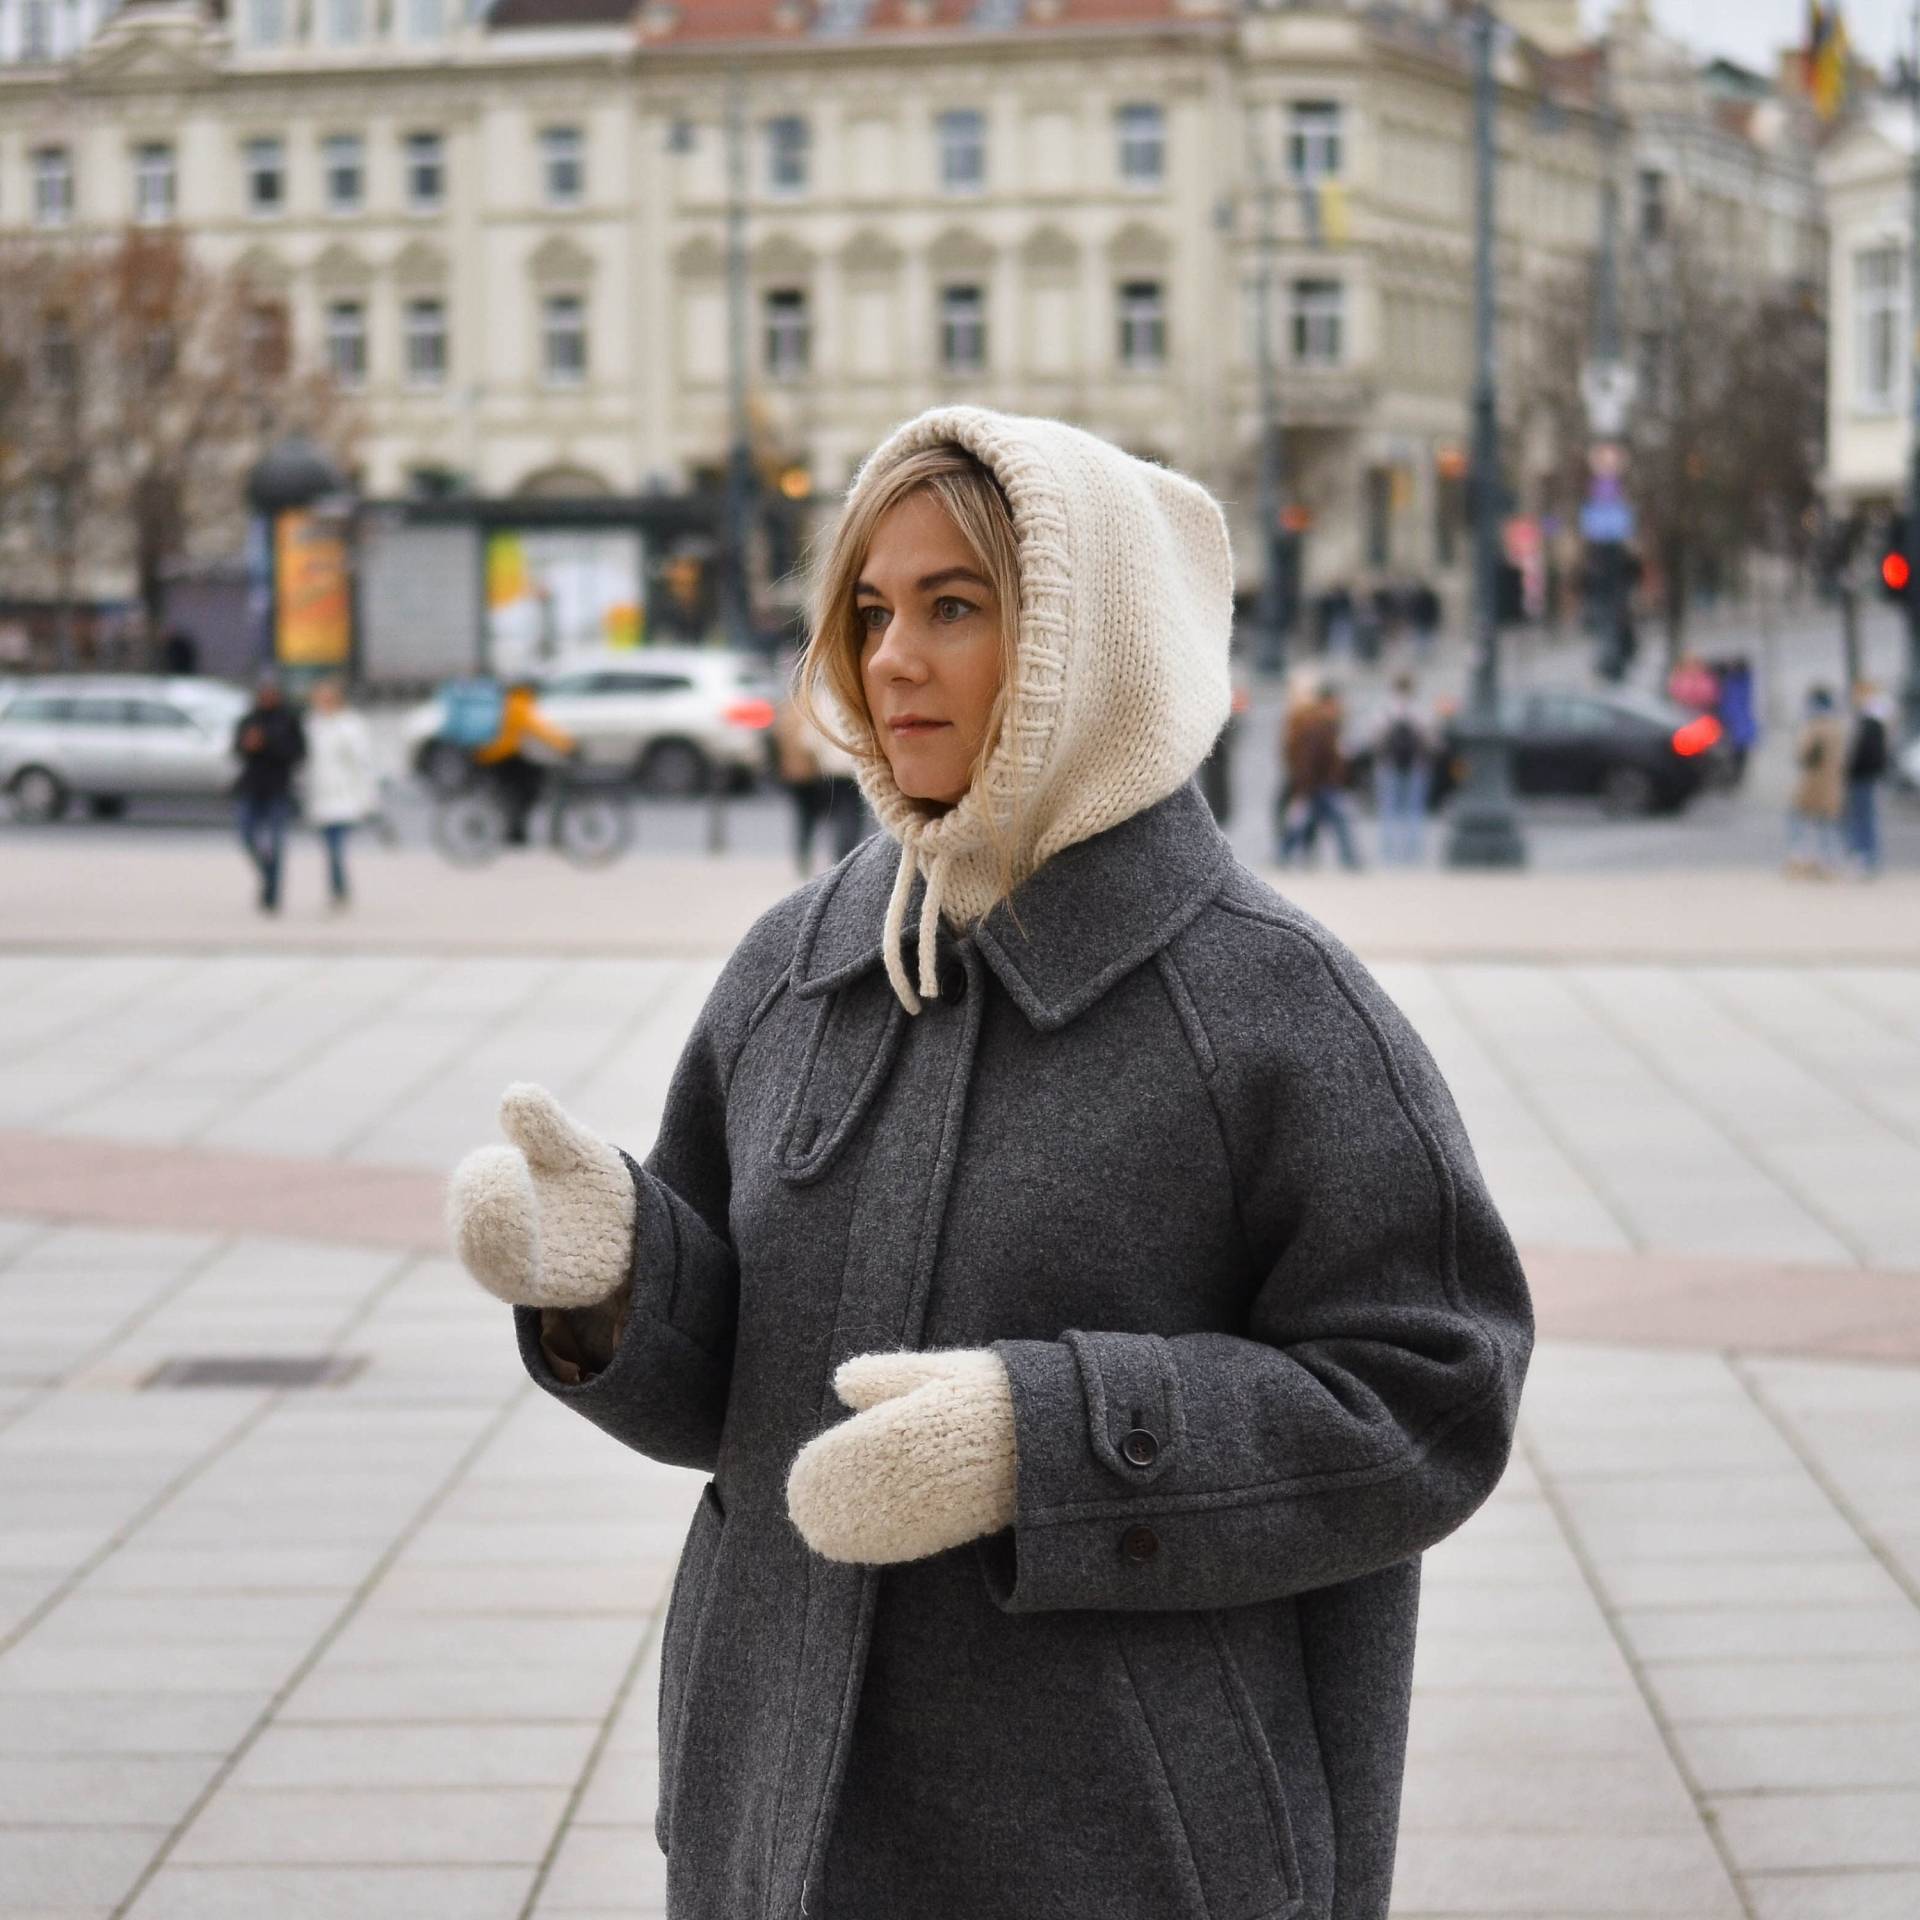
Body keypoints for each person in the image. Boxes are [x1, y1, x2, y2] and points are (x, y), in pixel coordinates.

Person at [446, 408, 1531, 1920]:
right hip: (769, 1828)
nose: (892, 658)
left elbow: (1436, 1394)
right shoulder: (796, 966)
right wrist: (620, 1276)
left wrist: (1049, 1441)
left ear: (1092, 644)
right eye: (873, 611)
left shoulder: (1276, 1006)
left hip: (1118, 1858)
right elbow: (746, 1408)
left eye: (955, 607)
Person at [231, 672, 307, 914]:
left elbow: (299, 754)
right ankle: (267, 874)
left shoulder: (288, 720)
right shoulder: (248, 720)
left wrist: (268, 744)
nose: (267, 696)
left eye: (271, 692)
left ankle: (273, 891)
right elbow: (236, 750)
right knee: (246, 835)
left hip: (278, 787)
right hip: (251, 786)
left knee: (276, 842)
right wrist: (247, 745)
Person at [304, 678, 379, 909]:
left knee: (336, 847)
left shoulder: (350, 726)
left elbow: (363, 762)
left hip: (344, 795)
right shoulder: (312, 724)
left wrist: (368, 797)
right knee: (329, 848)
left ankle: (339, 891)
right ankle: (338, 889)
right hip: (320, 795)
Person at [473, 679, 575, 846]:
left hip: (499, 754)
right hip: (501, 756)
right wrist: (565, 745)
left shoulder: (509, 702)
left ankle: (515, 826)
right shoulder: (519, 703)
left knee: (523, 786)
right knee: (530, 787)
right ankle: (515, 829)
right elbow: (538, 728)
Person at [1278, 679, 1361, 869]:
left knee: (1303, 823)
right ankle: (1350, 861)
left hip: (1318, 785)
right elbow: (1310, 759)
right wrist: (1305, 788)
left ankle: (1283, 855)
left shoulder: (1324, 723)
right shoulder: (1318, 725)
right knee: (1337, 821)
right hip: (1320, 785)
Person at [1786, 685, 1847, 879]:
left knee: (1799, 821)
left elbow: (1802, 753)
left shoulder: (1813, 726)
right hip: (1832, 783)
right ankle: (1829, 862)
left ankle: (1801, 858)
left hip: (1813, 782)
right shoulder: (1837, 727)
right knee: (1828, 826)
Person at [1373, 673, 1433, 866]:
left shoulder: (1386, 709)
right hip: (1415, 764)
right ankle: (1413, 852)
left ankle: (1388, 851)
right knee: (1414, 809)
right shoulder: (1419, 710)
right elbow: (1430, 738)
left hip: (1389, 764)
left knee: (1389, 808)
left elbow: (1376, 736)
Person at [1844, 680, 1893, 879]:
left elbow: (1867, 753)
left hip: (1862, 776)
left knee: (1863, 818)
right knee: (1864, 817)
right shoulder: (1875, 721)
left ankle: (1865, 857)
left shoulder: (1871, 723)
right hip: (1866, 775)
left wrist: (1851, 769)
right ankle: (1865, 857)